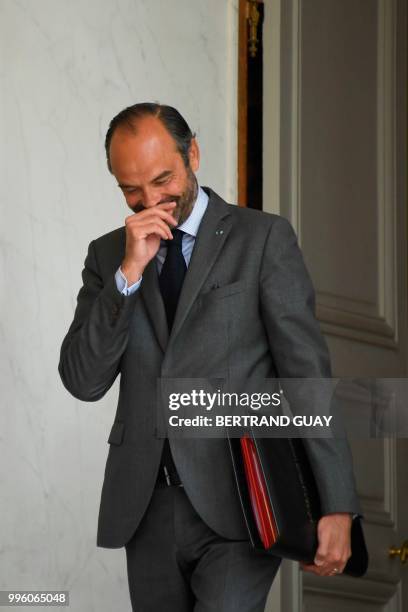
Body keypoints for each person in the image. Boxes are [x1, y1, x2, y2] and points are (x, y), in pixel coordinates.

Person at [58, 103, 361, 612]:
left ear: (192, 152)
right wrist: (128, 276)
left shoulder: (263, 239)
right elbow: (83, 380)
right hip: (146, 507)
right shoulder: (107, 256)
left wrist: (337, 504)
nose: (151, 200)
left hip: (242, 503)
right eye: (131, 190)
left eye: (163, 180)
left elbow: (306, 376)